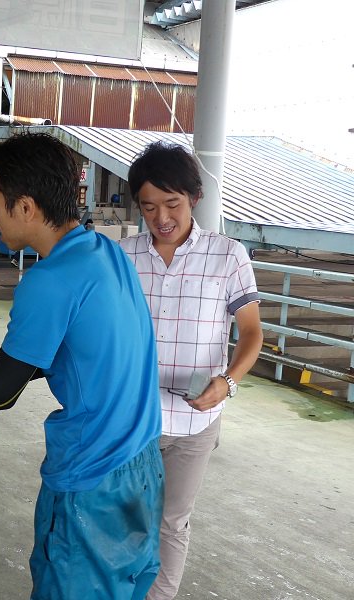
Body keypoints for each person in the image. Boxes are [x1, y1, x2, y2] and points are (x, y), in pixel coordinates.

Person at [0, 132, 164, 600]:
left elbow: (2, 390)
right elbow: (46, 359)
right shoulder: (105, 254)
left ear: (25, 207)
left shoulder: (49, 279)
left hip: (92, 477)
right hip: (141, 463)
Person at [118, 142, 263, 600]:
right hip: (131, 417)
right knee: (124, 515)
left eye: (172, 203)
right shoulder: (121, 257)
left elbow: (252, 332)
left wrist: (229, 382)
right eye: (149, 206)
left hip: (193, 422)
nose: (162, 216)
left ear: (194, 196)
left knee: (171, 521)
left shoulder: (228, 255)